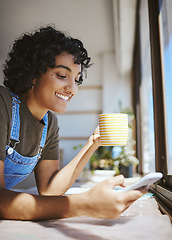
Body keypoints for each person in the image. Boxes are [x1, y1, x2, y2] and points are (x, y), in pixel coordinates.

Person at [0, 25, 147, 221]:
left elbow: (49, 189)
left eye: (77, 80)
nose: (73, 89)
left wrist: (92, 143)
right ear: (33, 74)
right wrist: (85, 204)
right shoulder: (3, 104)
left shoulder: (49, 123)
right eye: (62, 75)